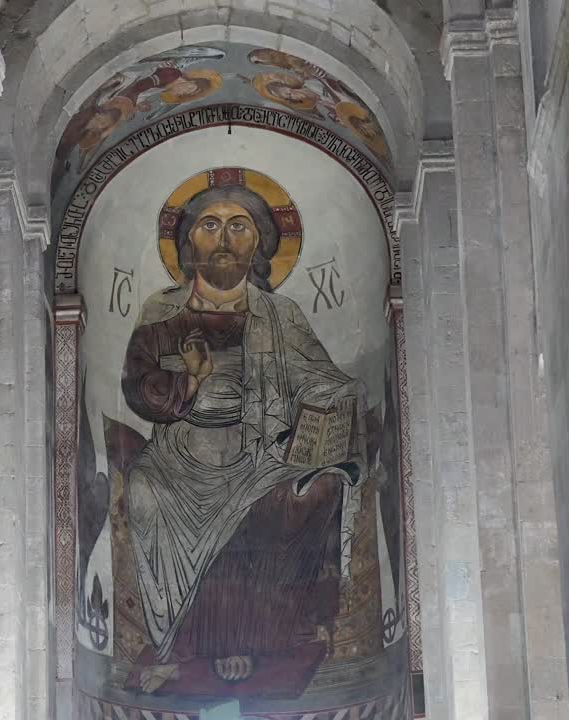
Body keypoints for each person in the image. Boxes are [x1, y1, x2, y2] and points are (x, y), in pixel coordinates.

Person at [120, 182, 366, 696]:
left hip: (261, 456)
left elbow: (319, 376)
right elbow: (138, 389)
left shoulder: (282, 315)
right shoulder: (161, 312)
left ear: (258, 244)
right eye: (210, 225)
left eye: (239, 226)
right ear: (190, 244)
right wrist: (189, 381)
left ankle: (257, 640)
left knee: (315, 491)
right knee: (144, 490)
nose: (225, 238)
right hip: (179, 458)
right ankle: (179, 648)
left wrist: (337, 395)